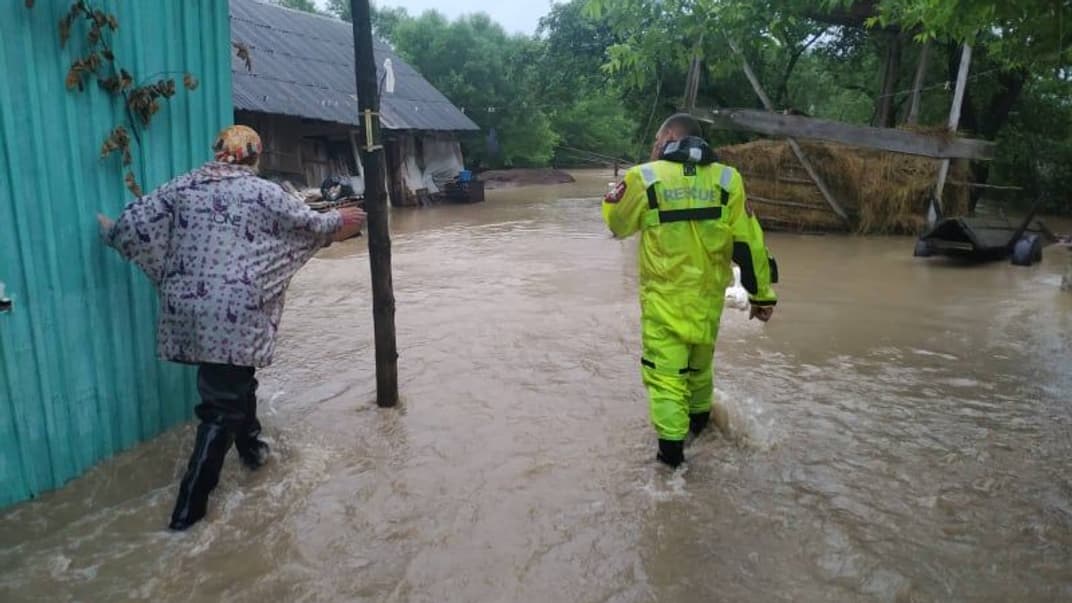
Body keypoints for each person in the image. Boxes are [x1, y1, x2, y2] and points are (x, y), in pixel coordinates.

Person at [97, 125, 365, 530]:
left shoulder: (183, 185)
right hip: (235, 311)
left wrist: (112, 231)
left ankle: (253, 452)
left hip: (188, 306)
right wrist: (340, 219)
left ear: (218, 151)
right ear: (254, 156)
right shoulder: (263, 192)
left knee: (236, 381)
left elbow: (133, 223)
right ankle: (187, 514)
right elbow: (308, 224)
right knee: (221, 407)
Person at [602, 114, 778, 468]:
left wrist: (619, 193)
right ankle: (700, 431)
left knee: (666, 379)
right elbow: (750, 244)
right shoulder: (728, 180)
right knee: (699, 372)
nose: (654, 146)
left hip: (665, 305)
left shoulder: (645, 177)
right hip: (708, 304)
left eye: (656, 140)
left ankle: (671, 464)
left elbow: (617, 225)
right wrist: (762, 296)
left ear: (669, 136)